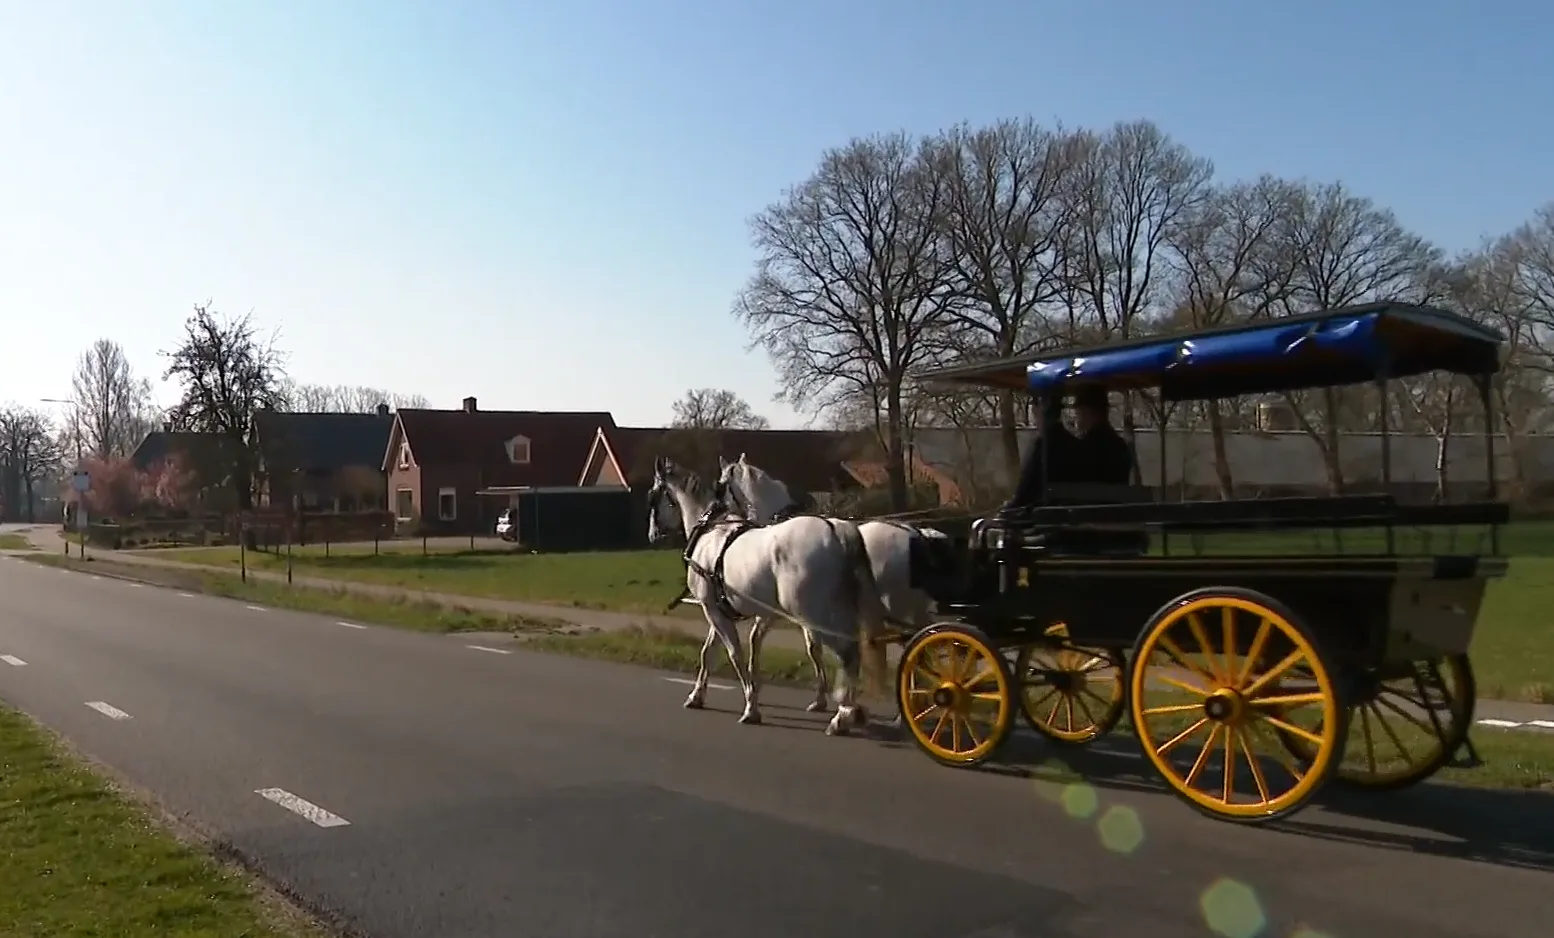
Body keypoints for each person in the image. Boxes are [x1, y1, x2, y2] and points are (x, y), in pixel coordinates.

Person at [1069, 387, 1136, 486]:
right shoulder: (1120, 446)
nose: (1076, 421)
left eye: (1078, 414)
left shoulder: (1083, 448)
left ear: (1087, 412)